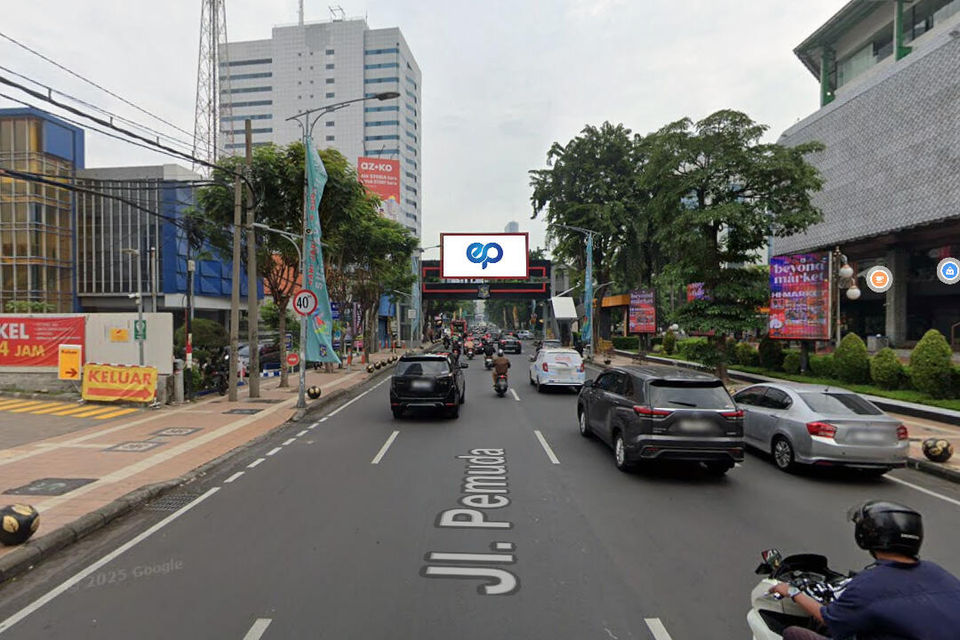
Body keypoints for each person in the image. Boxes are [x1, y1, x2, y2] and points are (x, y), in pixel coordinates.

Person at [769, 500, 960, 640]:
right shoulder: (937, 572)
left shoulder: (868, 584)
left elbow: (828, 619)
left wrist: (792, 591)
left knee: (793, 633)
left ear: (866, 537)